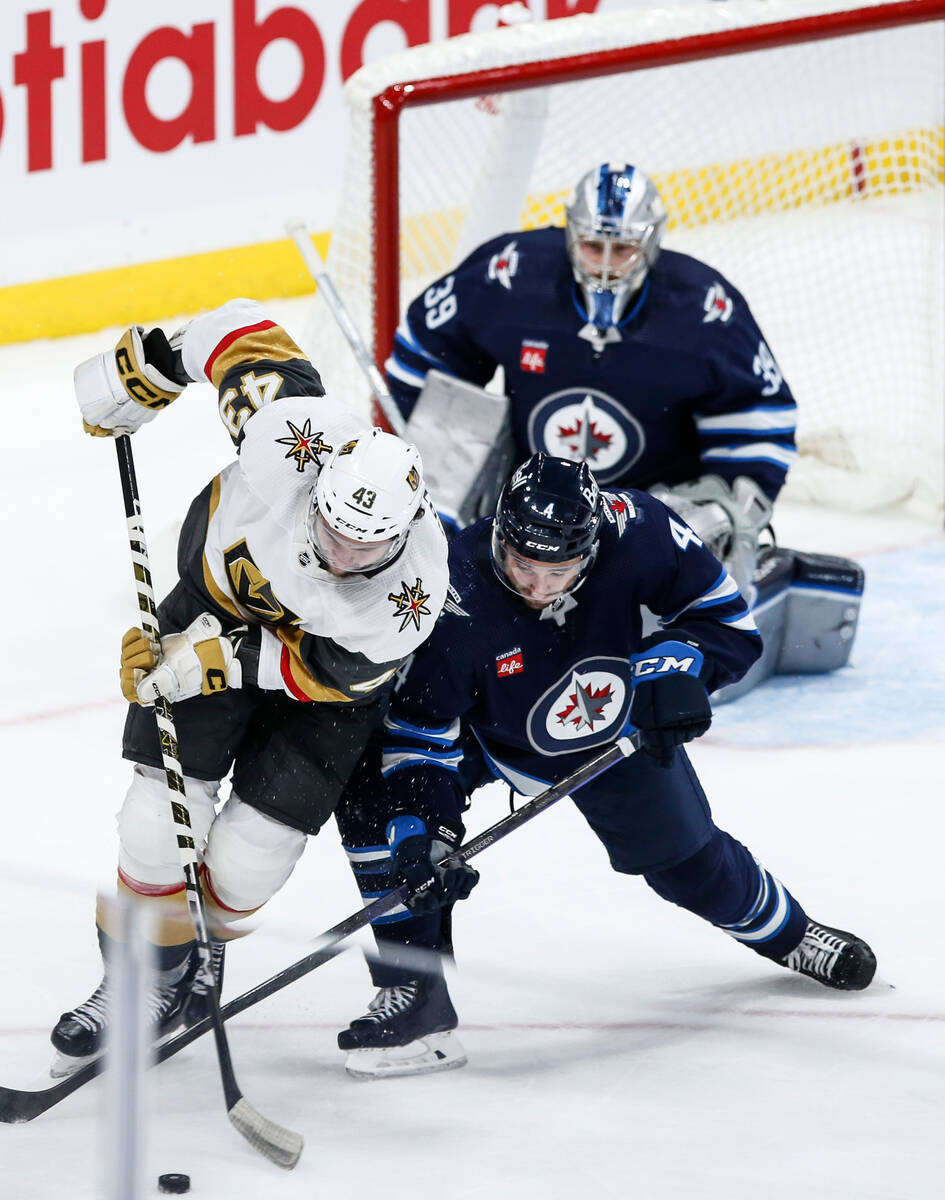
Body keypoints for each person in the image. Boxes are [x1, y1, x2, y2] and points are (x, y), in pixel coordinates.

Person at [334, 453, 876, 1079]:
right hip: (491, 736)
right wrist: (422, 833)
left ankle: (791, 934)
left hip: (616, 727)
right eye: (521, 564)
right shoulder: (449, 585)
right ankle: (416, 992)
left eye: (557, 571)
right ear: (501, 536)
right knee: (377, 798)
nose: (537, 587)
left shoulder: (640, 530)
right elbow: (420, 733)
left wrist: (680, 669)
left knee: (687, 867)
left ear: (591, 550)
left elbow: (728, 622)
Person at [50, 298, 449, 1077]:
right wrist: (144, 374)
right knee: (153, 823)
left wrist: (210, 662)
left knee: (251, 859)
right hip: (212, 607)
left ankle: (199, 959)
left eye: (363, 545)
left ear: (400, 533)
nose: (339, 553)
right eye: (331, 528)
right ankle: (142, 979)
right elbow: (234, 327)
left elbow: (329, 674)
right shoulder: (290, 438)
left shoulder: (411, 593)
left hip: (318, 687)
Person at [387, 162, 863, 698]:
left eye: (624, 249)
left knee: (686, 570)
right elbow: (421, 359)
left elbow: (760, 419)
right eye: (593, 246)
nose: (607, 266)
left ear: (652, 243)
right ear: (570, 234)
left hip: (652, 511)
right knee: (440, 508)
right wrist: (436, 462)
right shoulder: (511, 272)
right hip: (530, 504)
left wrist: (732, 510)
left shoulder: (703, 307)